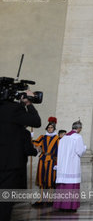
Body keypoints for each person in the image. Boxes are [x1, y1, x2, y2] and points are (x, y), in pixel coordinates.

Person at [0, 90, 42, 221]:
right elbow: (36, 121)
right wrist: (28, 103)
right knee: (5, 201)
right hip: (8, 164)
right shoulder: (14, 109)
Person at [53, 120, 86, 212]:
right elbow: (79, 152)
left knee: (63, 186)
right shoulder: (77, 137)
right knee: (71, 185)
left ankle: (61, 205)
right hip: (72, 165)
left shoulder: (63, 138)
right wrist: (84, 148)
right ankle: (70, 206)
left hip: (63, 166)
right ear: (79, 128)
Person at [32, 117, 59, 206]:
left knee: (50, 180)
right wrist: (31, 138)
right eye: (48, 127)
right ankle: (41, 198)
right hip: (42, 159)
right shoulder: (42, 137)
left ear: (54, 128)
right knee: (41, 179)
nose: (49, 129)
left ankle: (50, 199)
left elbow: (59, 150)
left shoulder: (57, 139)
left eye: (51, 127)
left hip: (51, 160)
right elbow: (35, 143)